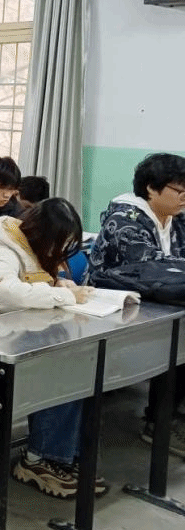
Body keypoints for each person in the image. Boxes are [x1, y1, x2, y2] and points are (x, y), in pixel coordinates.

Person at [0, 198, 106, 499]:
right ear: (42, 233)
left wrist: (61, 286)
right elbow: (4, 293)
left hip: (15, 333)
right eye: (58, 242)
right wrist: (63, 297)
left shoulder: (31, 246)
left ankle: (64, 455)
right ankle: (38, 459)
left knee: (82, 363)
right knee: (59, 367)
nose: (59, 251)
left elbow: (36, 282)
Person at [89, 153, 185, 455]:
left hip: (156, 307)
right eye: (179, 191)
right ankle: (160, 422)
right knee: (177, 341)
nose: (184, 197)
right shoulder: (124, 222)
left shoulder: (176, 220)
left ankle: (171, 416)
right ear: (151, 189)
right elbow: (154, 274)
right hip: (111, 313)